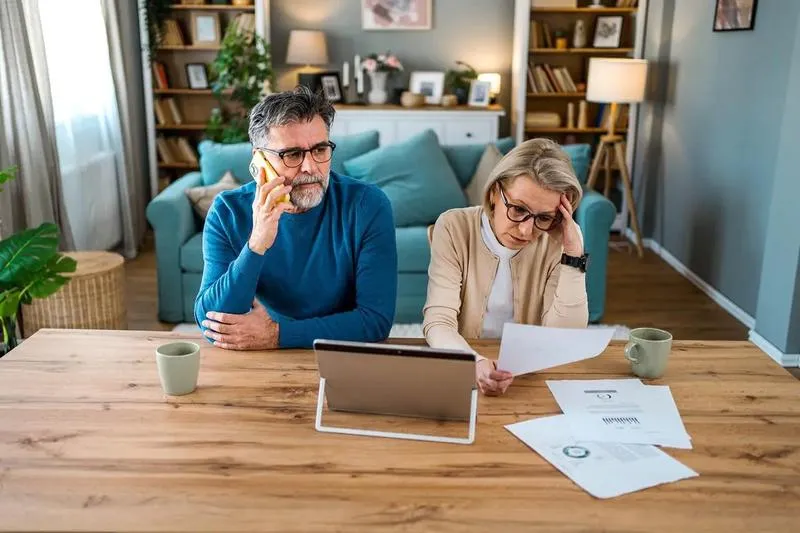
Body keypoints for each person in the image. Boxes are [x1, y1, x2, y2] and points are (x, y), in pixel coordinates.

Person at [195, 86, 397, 349]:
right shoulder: (227, 212)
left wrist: (277, 335)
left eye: (320, 150)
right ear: (259, 162)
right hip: (262, 358)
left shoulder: (367, 205)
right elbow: (211, 323)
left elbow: (375, 321)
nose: (311, 167)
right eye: (292, 154)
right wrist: (257, 243)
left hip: (340, 354)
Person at [423, 138, 588, 395]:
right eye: (518, 209)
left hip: (530, 379)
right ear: (493, 193)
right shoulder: (454, 226)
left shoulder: (558, 240)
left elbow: (564, 340)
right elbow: (438, 322)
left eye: (543, 217)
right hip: (464, 366)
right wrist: (475, 363)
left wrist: (573, 257)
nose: (526, 229)